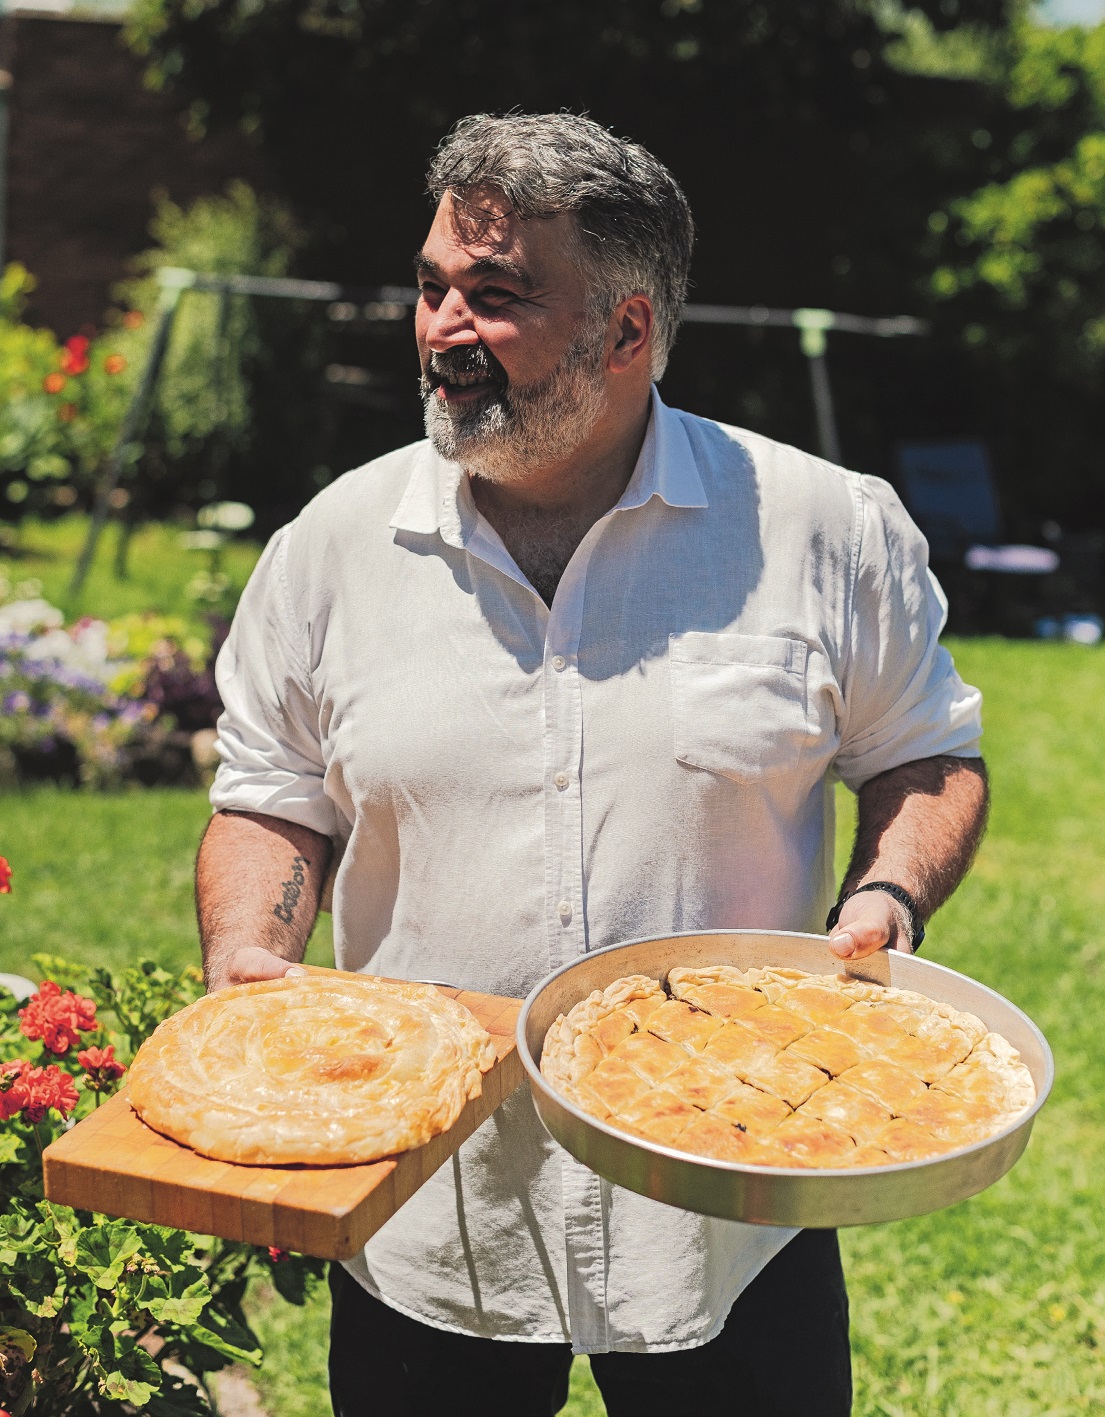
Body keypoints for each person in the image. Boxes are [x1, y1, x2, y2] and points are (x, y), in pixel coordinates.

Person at [199, 112, 988, 1417]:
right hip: (428, 1207)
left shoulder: (818, 529)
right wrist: (246, 953)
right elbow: (271, 796)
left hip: (730, 1195)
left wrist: (884, 898)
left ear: (628, 332)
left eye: (495, 296)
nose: (442, 326)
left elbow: (925, 751)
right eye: (431, 285)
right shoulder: (331, 545)